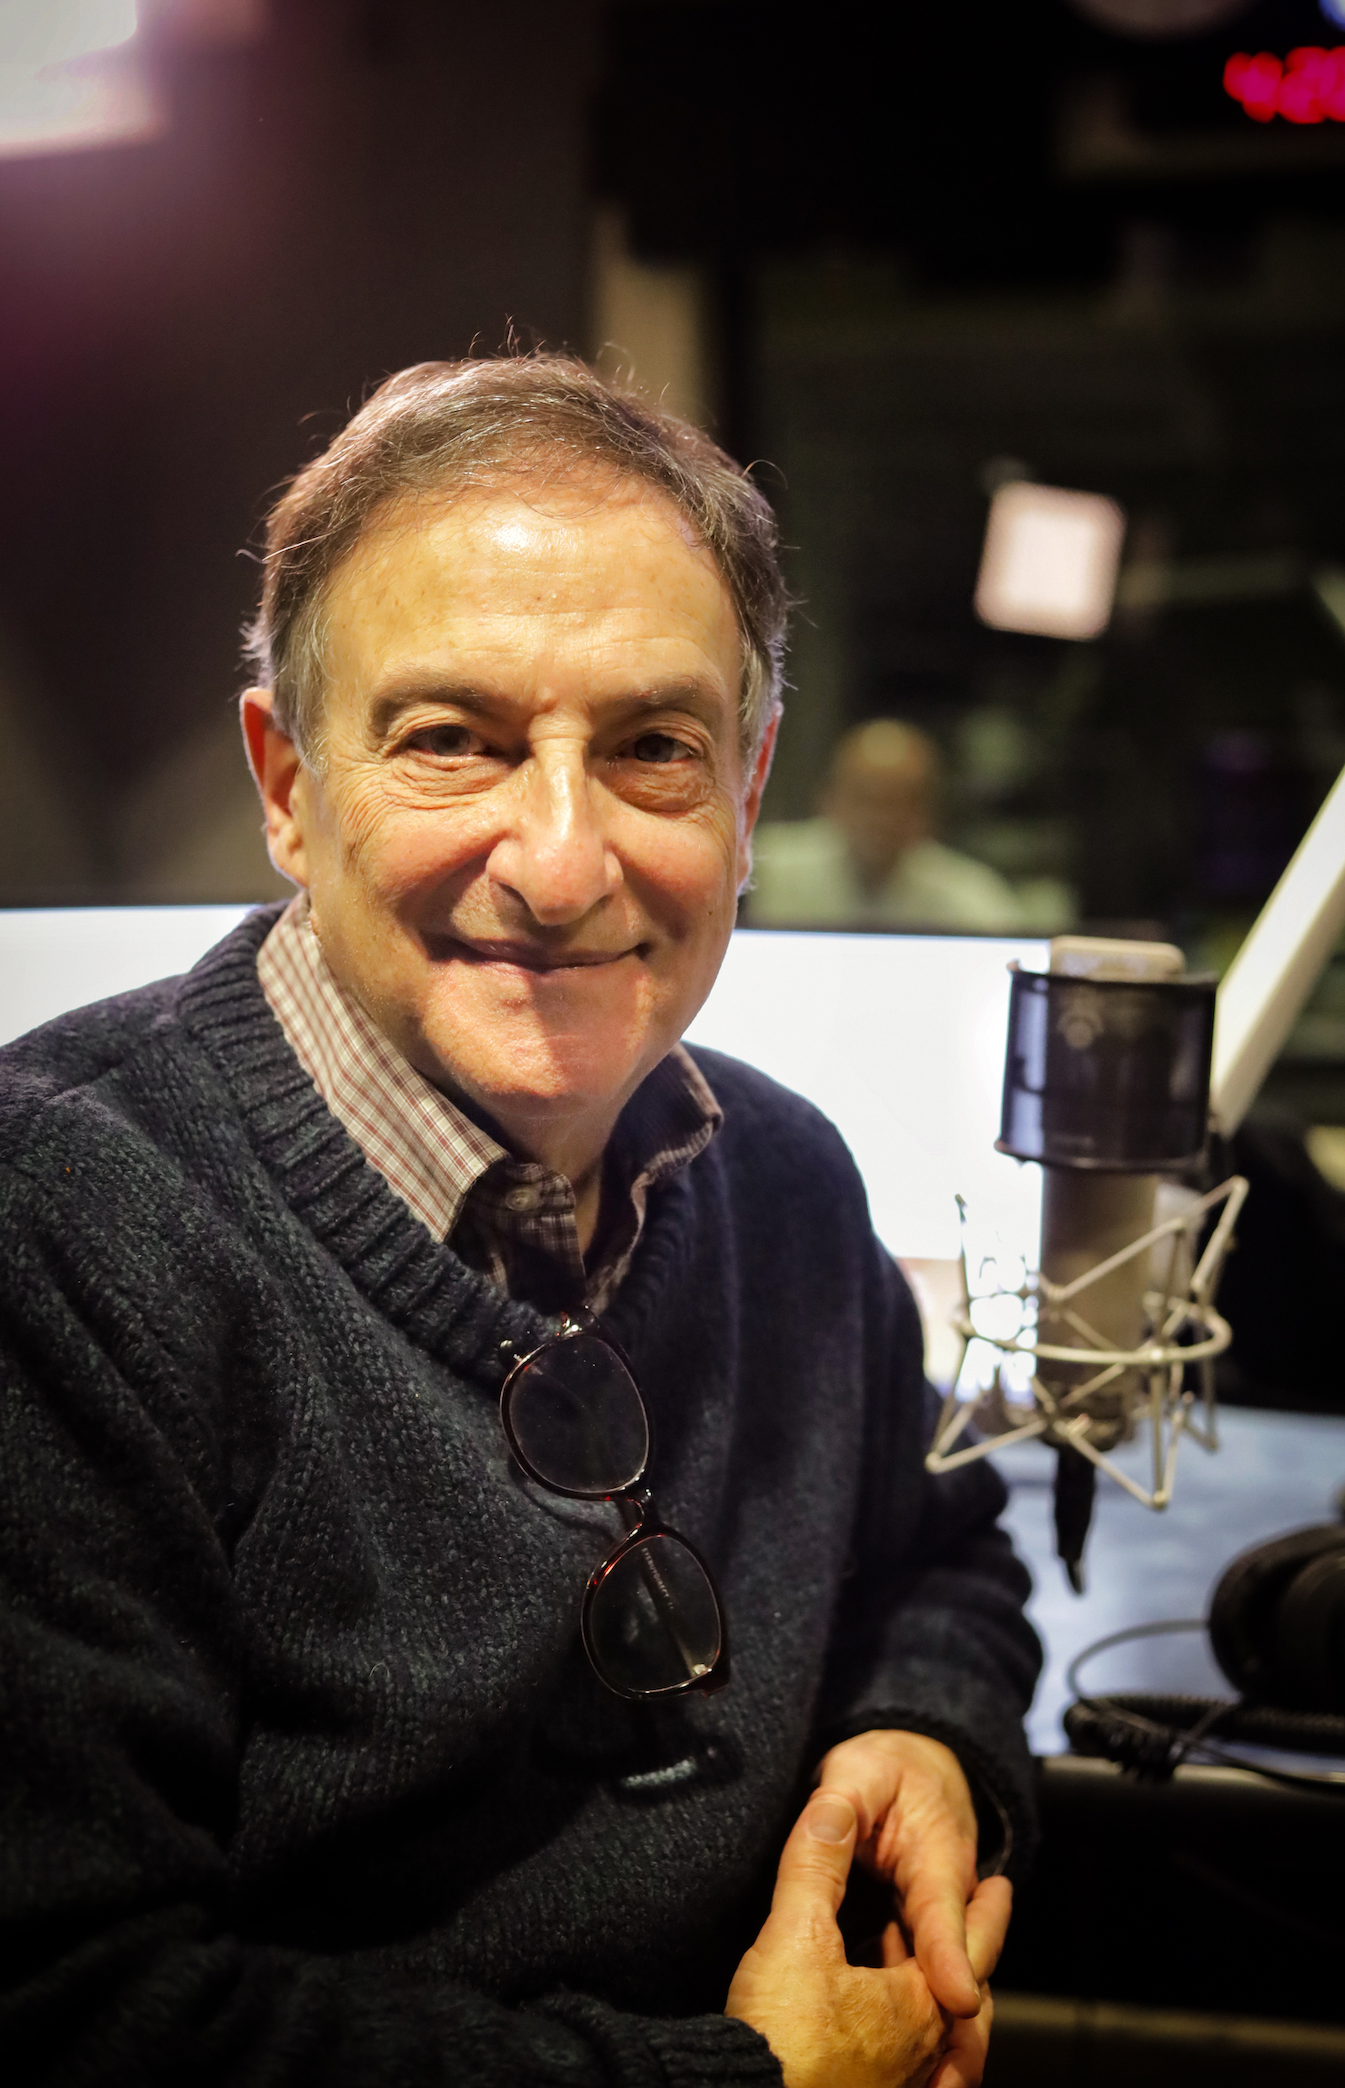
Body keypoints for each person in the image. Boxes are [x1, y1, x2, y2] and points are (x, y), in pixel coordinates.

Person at [0, 357, 1040, 2088]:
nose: (561, 862)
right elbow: (77, 2017)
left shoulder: (788, 1184)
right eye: (452, 741)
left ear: (750, 793)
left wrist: (924, 1739)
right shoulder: (63, 1236)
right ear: (285, 784)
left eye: (651, 749)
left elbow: (948, 1565)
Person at [747, 720, 1026, 932]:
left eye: (897, 802)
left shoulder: (973, 899)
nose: (878, 818)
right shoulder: (762, 868)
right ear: (827, 800)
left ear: (928, 814)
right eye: (865, 798)